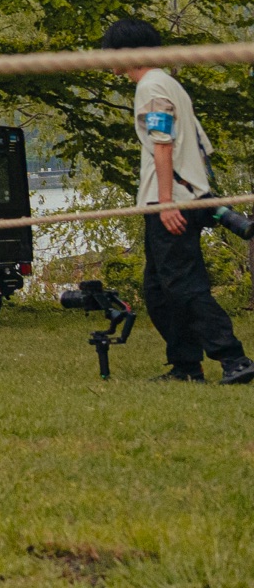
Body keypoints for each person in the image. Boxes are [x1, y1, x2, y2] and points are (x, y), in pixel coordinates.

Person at [102, 19, 254, 384]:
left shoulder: (151, 86)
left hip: (172, 201)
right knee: (159, 290)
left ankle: (234, 359)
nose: (106, 60)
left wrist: (168, 202)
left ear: (127, 52)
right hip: (175, 198)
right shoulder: (167, 83)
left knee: (184, 286)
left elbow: (163, 143)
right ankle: (186, 366)